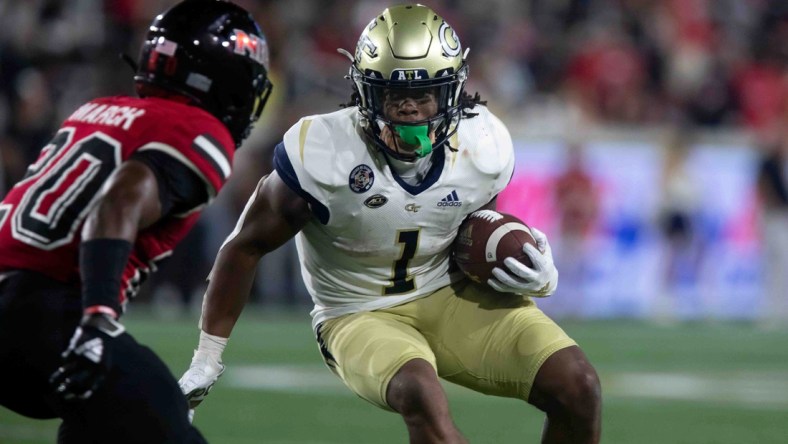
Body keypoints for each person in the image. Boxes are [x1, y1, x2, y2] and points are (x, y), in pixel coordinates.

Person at [180, 4, 602, 443]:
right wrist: (207, 357)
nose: (408, 112)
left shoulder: (483, 144)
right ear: (363, 92)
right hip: (356, 311)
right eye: (392, 96)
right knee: (418, 390)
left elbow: (477, 230)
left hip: (449, 293)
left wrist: (524, 267)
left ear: (453, 92)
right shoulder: (324, 151)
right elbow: (245, 245)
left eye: (424, 95)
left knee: (578, 385)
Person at [0, 0, 273, 442]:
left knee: (105, 423)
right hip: (45, 313)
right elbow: (121, 199)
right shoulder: (198, 131)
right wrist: (98, 317)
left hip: (18, 301)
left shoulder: (94, 110)